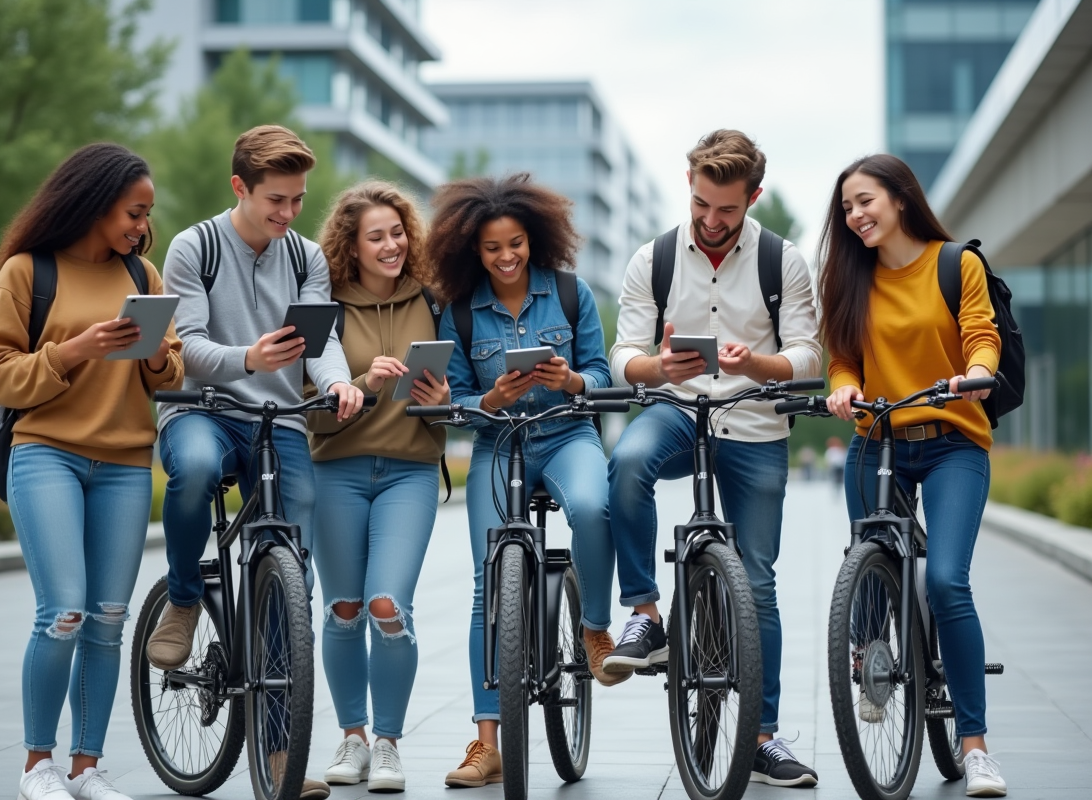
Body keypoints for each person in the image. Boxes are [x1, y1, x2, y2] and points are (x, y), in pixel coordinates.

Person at [146, 125, 364, 800]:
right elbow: (185, 346)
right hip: (202, 409)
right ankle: (184, 599)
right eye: (276, 199)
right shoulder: (197, 246)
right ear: (240, 187)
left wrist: (337, 383)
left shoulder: (305, 257)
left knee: (290, 567)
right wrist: (248, 358)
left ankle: (277, 756)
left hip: (278, 418)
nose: (289, 212)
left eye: (298, 199)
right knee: (194, 471)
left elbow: (320, 342)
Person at [604, 130, 822, 786]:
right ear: (690, 186)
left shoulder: (783, 261)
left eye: (727, 208)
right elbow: (623, 355)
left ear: (753, 197)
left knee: (757, 583)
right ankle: (645, 615)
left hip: (754, 421)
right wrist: (657, 368)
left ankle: (762, 738)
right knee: (628, 462)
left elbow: (809, 353)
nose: (711, 219)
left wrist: (758, 364)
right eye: (701, 203)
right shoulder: (654, 258)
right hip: (677, 408)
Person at [0, 143, 184, 800]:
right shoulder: (26, 272)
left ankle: (85, 767)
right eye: (133, 212)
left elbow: (169, 374)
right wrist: (75, 350)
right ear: (95, 204)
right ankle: (36, 765)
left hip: (125, 463)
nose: (142, 227)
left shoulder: (142, 274)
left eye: (146, 214)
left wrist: (153, 354)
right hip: (47, 452)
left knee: (108, 618)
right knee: (63, 611)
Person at [818, 154, 1006, 798]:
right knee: (869, 561)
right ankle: (873, 662)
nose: (855, 215)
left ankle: (975, 749)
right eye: (847, 208)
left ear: (900, 199)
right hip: (878, 440)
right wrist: (844, 388)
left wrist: (977, 374)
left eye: (865, 201)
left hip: (953, 441)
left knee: (947, 581)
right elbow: (842, 358)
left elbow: (981, 335)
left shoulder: (956, 264)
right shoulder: (850, 277)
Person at [427, 173, 617, 788]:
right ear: (473, 250)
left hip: (566, 435)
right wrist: (491, 399)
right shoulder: (459, 310)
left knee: (592, 507)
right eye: (492, 248)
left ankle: (594, 631)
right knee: (487, 583)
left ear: (533, 239)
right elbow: (456, 399)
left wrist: (572, 382)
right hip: (498, 442)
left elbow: (601, 374)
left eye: (515, 243)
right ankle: (487, 746)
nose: (506, 256)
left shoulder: (569, 293)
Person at [307, 181, 449, 794]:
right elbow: (308, 414)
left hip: (410, 472)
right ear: (351, 246)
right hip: (335, 471)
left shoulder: (435, 299)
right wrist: (362, 385)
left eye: (398, 233)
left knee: (387, 606)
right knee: (343, 609)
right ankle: (354, 738)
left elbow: (455, 402)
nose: (391, 245)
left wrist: (444, 400)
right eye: (376, 237)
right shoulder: (321, 308)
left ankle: (388, 744)